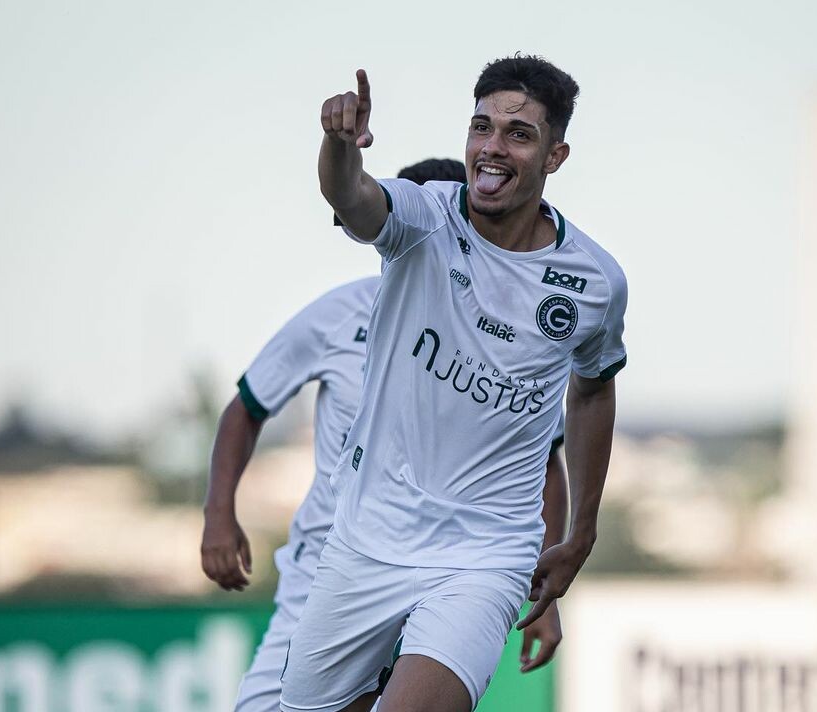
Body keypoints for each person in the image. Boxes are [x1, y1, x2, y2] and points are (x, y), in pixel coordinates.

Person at [277, 55, 627, 712]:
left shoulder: (594, 281)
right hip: (366, 540)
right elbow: (351, 198)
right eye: (481, 127)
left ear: (555, 156)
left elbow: (592, 390)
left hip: (484, 557)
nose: (492, 147)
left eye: (518, 134)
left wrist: (579, 534)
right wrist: (339, 146)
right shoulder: (423, 216)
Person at [200, 159, 568, 712]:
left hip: (450, 571)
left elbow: (545, 467)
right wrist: (217, 515)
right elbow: (247, 407)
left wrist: (545, 592)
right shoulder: (337, 314)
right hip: (328, 566)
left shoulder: (506, 339)